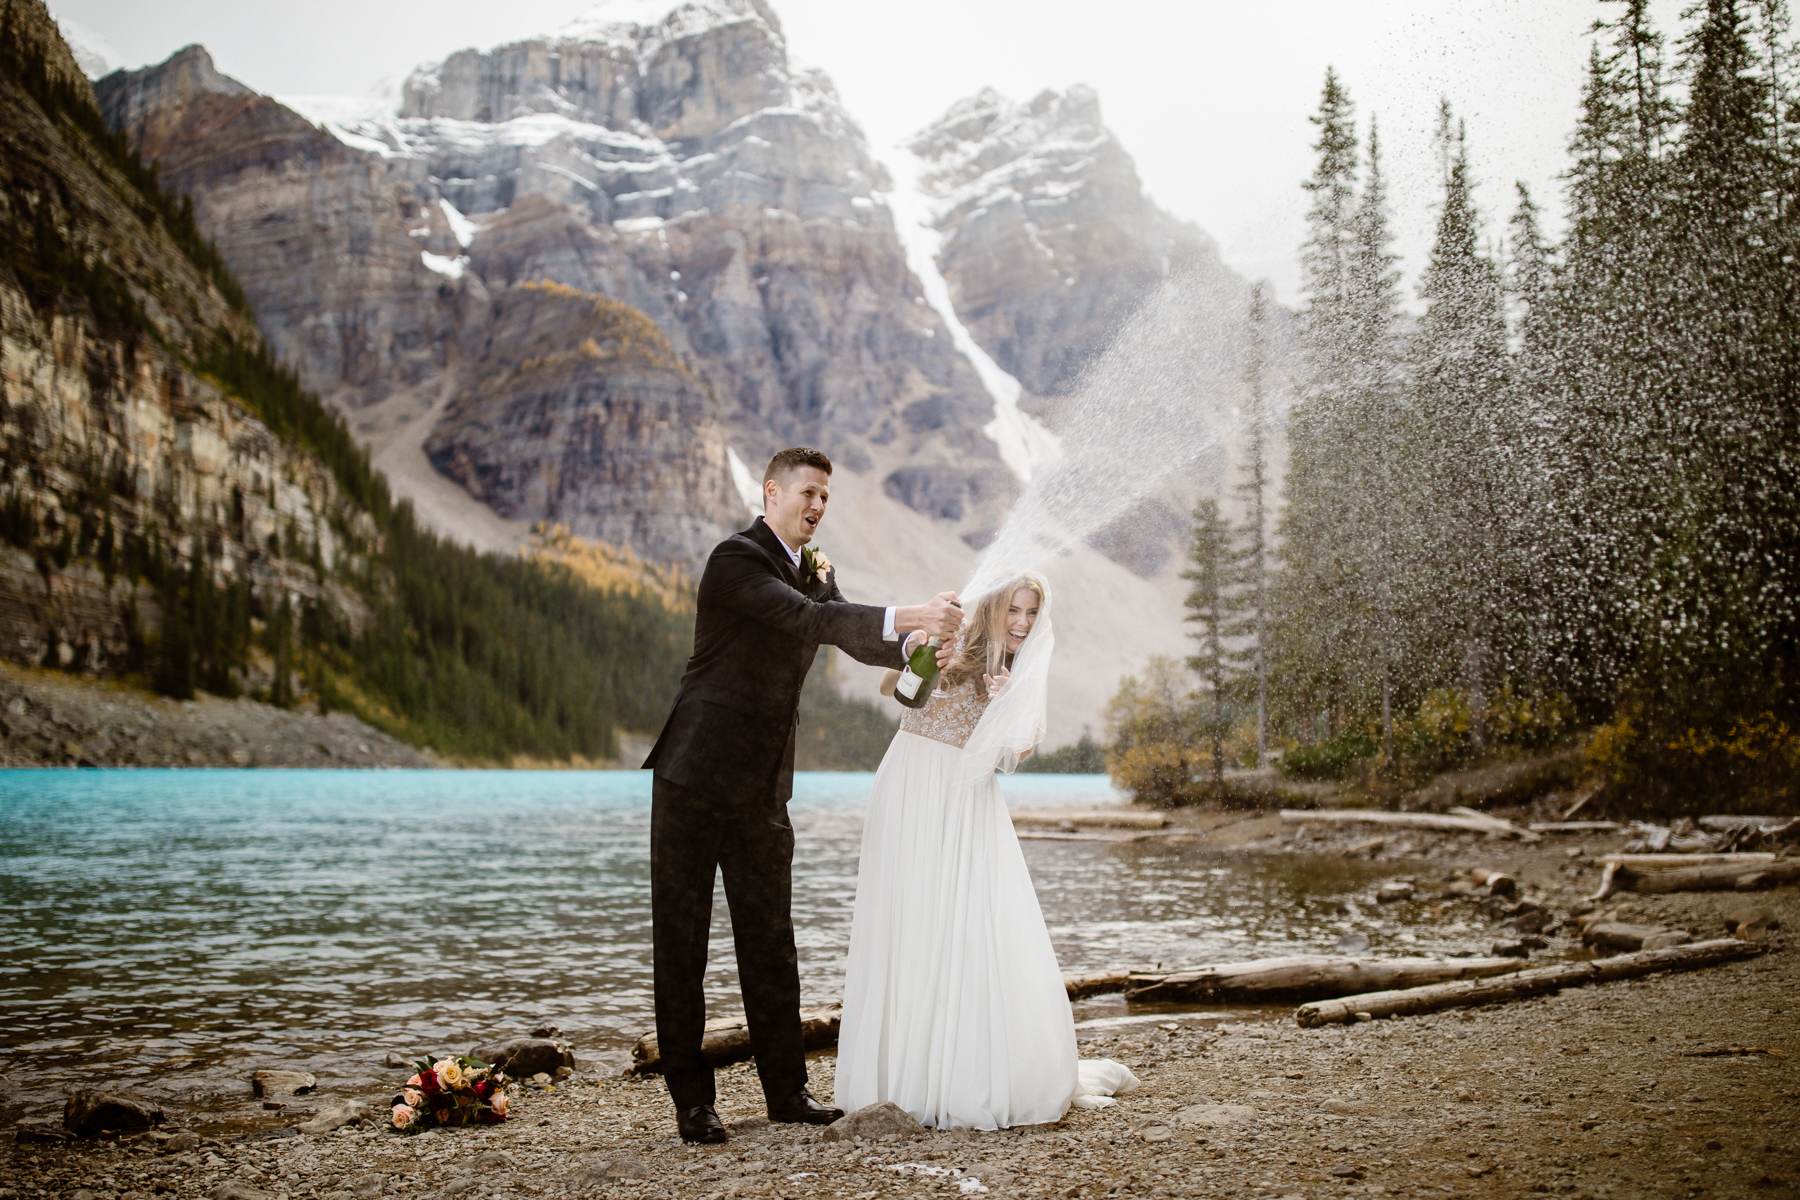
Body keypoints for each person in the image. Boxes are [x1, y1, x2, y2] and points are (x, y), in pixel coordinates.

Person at [642, 446, 962, 1145]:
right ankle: (693, 1103)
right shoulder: (735, 561)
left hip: (762, 785)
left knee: (771, 942)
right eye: (807, 493)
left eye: (825, 497)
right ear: (772, 492)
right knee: (682, 943)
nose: (817, 507)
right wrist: (912, 612)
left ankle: (787, 1092)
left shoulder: (816, 571)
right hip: (692, 778)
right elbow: (808, 622)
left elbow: (848, 629)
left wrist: (919, 643)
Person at [835, 573, 1138, 1129]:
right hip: (906, 780)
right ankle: (901, 1075)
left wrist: (1005, 708)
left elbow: (1015, 754)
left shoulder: (1020, 671)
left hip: (965, 796)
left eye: (1031, 613)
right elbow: (891, 692)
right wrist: (922, 653)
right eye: (1014, 610)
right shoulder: (952, 636)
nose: (1021, 622)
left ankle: (961, 1071)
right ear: (996, 607)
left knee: (969, 922)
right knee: (907, 919)